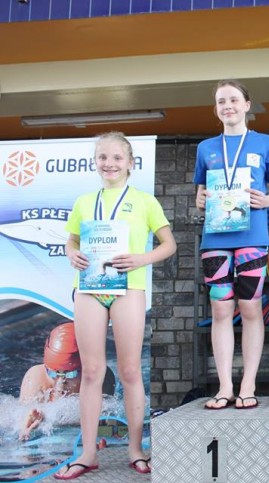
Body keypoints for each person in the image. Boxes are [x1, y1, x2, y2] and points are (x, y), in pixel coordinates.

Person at [56, 132, 176, 479]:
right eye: (103, 157)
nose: (109, 164)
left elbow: (168, 244)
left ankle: (136, 449)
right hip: (90, 288)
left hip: (129, 288)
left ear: (130, 163)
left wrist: (141, 258)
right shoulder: (84, 202)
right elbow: (71, 241)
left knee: (130, 371)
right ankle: (88, 453)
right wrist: (72, 254)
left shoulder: (144, 201)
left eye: (117, 158)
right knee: (92, 371)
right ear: (96, 162)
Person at [194, 80, 269, 410]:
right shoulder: (205, 147)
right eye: (221, 101)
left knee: (250, 307)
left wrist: (268, 200)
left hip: (252, 237)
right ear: (216, 109)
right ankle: (224, 387)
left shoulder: (266, 143)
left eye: (233, 99)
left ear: (247, 105)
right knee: (220, 309)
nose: (227, 106)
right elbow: (200, 192)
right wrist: (199, 200)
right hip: (215, 238)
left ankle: (248, 384)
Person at [18, 322, 115, 441]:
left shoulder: (101, 378)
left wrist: (49, 419)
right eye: (53, 373)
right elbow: (21, 427)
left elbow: (104, 427)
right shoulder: (35, 378)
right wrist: (27, 429)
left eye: (70, 374)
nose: (60, 382)